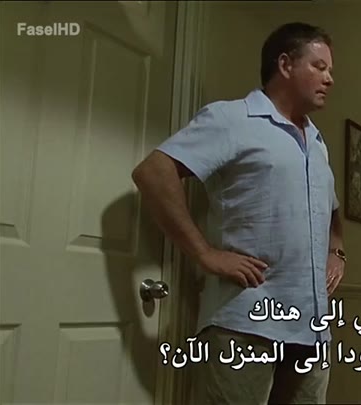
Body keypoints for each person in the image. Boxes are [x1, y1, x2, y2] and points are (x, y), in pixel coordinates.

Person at [131, 22, 345, 405]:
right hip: (245, 322)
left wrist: (337, 250)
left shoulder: (316, 140)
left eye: (330, 70)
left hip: (312, 327)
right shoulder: (232, 119)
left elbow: (331, 207)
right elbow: (153, 173)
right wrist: (204, 253)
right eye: (320, 67)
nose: (330, 79)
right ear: (285, 64)